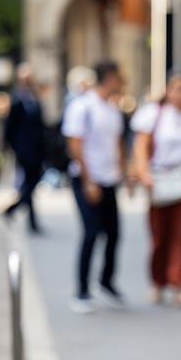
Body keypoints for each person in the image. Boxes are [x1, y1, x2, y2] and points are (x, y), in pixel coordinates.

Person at [130, 72, 181, 306]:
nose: (179, 93)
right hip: (159, 177)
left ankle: (180, 282)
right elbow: (141, 145)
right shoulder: (153, 114)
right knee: (159, 233)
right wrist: (143, 173)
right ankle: (158, 280)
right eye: (175, 88)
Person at [62, 61, 127, 313]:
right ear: (109, 77)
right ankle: (81, 291)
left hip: (109, 179)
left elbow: (118, 141)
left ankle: (106, 282)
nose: (122, 82)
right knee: (91, 233)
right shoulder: (82, 106)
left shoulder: (112, 107)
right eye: (119, 77)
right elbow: (75, 144)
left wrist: (124, 171)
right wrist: (88, 180)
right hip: (88, 180)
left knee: (113, 233)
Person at [2, 63, 46, 232]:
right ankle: (24, 216)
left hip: (37, 149)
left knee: (31, 184)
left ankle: (20, 213)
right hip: (24, 150)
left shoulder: (34, 99)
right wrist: (12, 147)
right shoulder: (16, 100)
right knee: (30, 183)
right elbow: (9, 127)